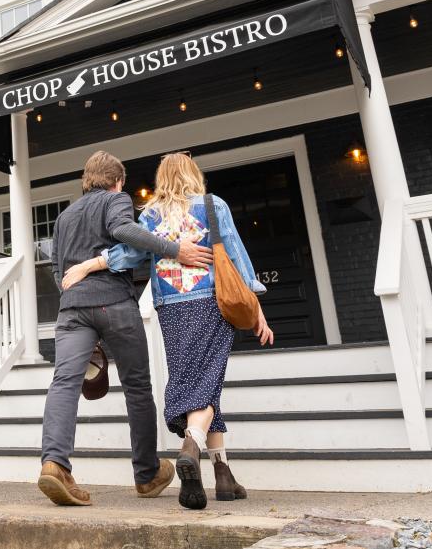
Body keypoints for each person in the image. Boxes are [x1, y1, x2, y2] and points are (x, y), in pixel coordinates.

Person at [61, 152, 273, 510]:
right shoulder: (213, 205)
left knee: (199, 381)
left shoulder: (150, 215)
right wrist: (256, 307)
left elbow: (128, 254)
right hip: (210, 302)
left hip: (171, 308)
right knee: (205, 383)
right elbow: (236, 256)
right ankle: (191, 444)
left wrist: (89, 265)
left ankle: (223, 474)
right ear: (193, 174)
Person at [37, 150, 214, 507]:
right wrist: (174, 249)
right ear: (118, 181)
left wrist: (73, 294)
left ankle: (54, 464)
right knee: (137, 387)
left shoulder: (65, 216)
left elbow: (58, 269)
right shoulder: (116, 199)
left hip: (72, 309)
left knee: (64, 383)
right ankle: (147, 474)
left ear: (87, 180)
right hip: (114, 303)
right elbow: (122, 230)